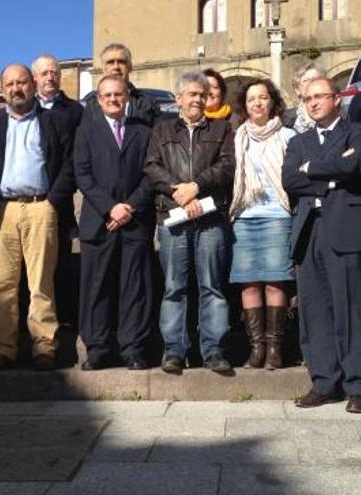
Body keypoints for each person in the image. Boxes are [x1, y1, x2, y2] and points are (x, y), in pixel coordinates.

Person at [0, 64, 75, 372]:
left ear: (33, 85)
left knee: (41, 281)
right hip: (3, 209)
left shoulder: (55, 121)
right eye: (10, 84)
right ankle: (4, 348)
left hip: (42, 205)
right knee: (1, 283)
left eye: (22, 82)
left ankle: (44, 347)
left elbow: (68, 164)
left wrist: (53, 201)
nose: (17, 88)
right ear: (2, 89)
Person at [282, 78, 361, 411]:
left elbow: (356, 164)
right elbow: (290, 179)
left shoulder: (357, 132)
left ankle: (359, 386)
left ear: (337, 99)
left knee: (351, 308)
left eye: (320, 96)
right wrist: (332, 178)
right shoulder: (299, 141)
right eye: (307, 98)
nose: (313, 103)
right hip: (309, 231)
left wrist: (314, 171)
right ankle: (323, 382)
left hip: (346, 228)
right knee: (314, 311)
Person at [144, 71, 235, 374]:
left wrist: (196, 186)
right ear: (178, 98)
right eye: (192, 94)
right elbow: (152, 166)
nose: (198, 99)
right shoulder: (161, 129)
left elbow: (227, 166)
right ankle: (174, 350)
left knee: (213, 286)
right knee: (174, 287)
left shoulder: (222, 129)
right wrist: (177, 191)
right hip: (174, 216)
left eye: (202, 94)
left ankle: (213, 350)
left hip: (211, 218)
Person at [74, 75, 154, 371]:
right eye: (106, 95)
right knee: (97, 286)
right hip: (99, 222)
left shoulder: (144, 132)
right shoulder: (86, 131)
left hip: (134, 222)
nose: (113, 99)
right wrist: (110, 208)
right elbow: (82, 175)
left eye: (118, 94)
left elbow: (151, 174)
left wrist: (129, 207)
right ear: (98, 99)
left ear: (127, 98)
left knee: (134, 286)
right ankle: (97, 348)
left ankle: (132, 347)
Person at [228, 78, 294, 370]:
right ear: (244, 105)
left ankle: (275, 349)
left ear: (272, 102)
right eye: (251, 98)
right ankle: (256, 349)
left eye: (263, 97)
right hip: (244, 216)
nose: (257, 103)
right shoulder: (236, 137)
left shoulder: (288, 136)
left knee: (274, 280)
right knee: (249, 282)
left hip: (277, 214)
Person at [32, 54, 84, 328]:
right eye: (45, 73)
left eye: (54, 72)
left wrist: (54, 196)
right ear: (35, 78)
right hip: (28, 199)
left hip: (58, 198)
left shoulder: (75, 111)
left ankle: (63, 315)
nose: (50, 77)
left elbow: (76, 158)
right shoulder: (25, 108)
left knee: (61, 260)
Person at [82, 43, 160, 127]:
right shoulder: (91, 106)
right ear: (103, 69)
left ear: (130, 67)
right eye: (110, 62)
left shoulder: (147, 103)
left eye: (121, 62)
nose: (116, 67)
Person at [282, 62, 324, 133]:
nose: (311, 84)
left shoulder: (336, 117)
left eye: (316, 80)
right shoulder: (283, 120)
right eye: (306, 81)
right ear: (297, 89)